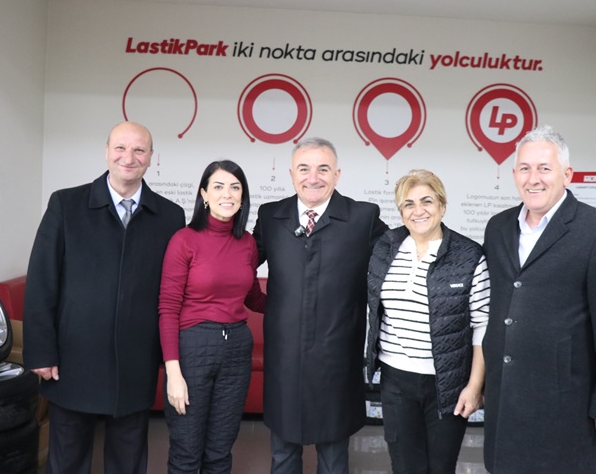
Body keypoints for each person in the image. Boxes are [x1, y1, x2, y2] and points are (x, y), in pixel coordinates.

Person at [23, 121, 186, 474]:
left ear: (151, 157)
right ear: (107, 152)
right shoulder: (66, 204)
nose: (129, 157)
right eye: (121, 148)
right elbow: (41, 282)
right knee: (67, 462)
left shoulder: (170, 216)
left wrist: (169, 356)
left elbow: (174, 292)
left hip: (135, 362)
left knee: (128, 462)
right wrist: (41, 350)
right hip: (72, 360)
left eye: (139, 150)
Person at [482, 125, 596, 473]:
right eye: (525, 168)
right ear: (514, 174)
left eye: (544, 168)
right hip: (505, 400)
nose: (533, 179)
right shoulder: (497, 227)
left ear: (567, 175)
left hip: (566, 405)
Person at [253, 137, 388, 473]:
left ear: (337, 175)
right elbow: (239, 266)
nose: (313, 178)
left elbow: (399, 260)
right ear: (291, 174)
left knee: (333, 456)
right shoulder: (271, 216)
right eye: (304, 169)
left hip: (336, 358)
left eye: (323, 169)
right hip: (284, 358)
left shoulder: (363, 217)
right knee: (283, 453)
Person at [366, 169, 490, 474]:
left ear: (442, 206)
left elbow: (483, 325)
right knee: (405, 466)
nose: (418, 210)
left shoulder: (469, 255)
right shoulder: (385, 247)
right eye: (408, 204)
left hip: (447, 383)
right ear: (401, 211)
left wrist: (474, 387)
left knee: (440, 467)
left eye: (427, 201)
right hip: (396, 380)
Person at [158, 160, 266, 473]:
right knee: (186, 453)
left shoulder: (247, 243)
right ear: (204, 194)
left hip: (237, 349)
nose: (227, 194)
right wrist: (173, 373)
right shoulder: (184, 240)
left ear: (243, 197)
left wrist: (297, 306)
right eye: (218, 186)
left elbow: (252, 297)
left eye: (235, 187)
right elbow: (168, 308)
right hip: (193, 349)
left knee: (219, 453)